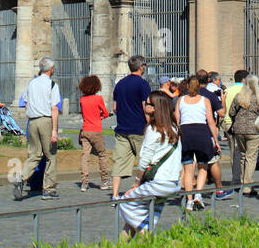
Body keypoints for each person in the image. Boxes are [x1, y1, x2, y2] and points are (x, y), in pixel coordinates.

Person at [117, 92, 182, 238]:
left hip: (159, 182)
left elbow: (145, 159)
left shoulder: (154, 130)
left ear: (155, 108)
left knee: (125, 202)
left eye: (148, 103)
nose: (144, 105)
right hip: (173, 182)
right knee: (146, 213)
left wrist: (137, 182)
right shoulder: (173, 129)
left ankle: (145, 234)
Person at [16, 57, 61, 200]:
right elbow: (54, 108)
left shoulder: (31, 83)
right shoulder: (52, 84)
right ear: (51, 69)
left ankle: (21, 178)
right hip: (45, 120)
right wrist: (54, 130)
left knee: (34, 154)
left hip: (32, 122)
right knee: (50, 155)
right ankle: (48, 189)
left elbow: (25, 102)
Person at [110, 56, 151, 202]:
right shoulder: (143, 84)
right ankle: (142, 190)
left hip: (122, 129)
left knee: (119, 163)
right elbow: (145, 107)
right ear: (141, 67)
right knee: (146, 161)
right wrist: (149, 125)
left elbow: (114, 107)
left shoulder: (120, 84)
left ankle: (115, 194)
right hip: (139, 128)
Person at [177, 76, 219, 210]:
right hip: (201, 133)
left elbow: (177, 121)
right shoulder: (205, 100)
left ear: (188, 86)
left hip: (186, 133)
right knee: (203, 167)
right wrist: (216, 140)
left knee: (188, 170)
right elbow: (211, 122)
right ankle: (198, 194)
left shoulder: (181, 100)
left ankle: (189, 200)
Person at [228, 74, 259, 195]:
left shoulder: (239, 97)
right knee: (251, 157)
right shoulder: (258, 98)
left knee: (243, 155)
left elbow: (231, 112)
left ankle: (243, 181)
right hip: (253, 130)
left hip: (239, 129)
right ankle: (247, 185)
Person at [196, 69, 229, 199]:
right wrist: (223, 100)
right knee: (213, 161)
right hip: (206, 131)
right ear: (208, 80)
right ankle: (219, 189)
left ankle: (187, 191)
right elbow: (221, 113)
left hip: (189, 132)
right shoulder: (210, 95)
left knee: (189, 164)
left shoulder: (187, 94)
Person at [78, 75, 110, 192]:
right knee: (102, 154)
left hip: (85, 130)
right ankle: (104, 180)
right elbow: (106, 113)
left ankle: (84, 181)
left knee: (85, 156)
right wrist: (99, 117)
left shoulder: (82, 99)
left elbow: (83, 114)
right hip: (96, 129)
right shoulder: (98, 99)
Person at [221, 69, 247, 187]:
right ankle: (242, 179)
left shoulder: (227, 91)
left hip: (227, 123)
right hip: (242, 124)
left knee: (233, 152)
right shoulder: (246, 91)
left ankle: (235, 178)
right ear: (244, 80)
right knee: (244, 153)